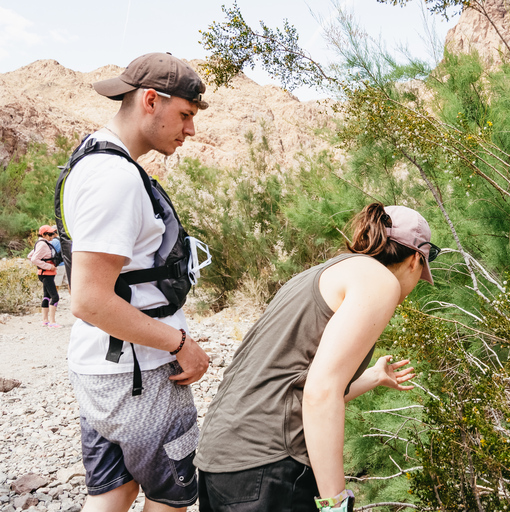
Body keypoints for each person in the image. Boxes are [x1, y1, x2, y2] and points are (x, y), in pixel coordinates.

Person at [194, 202, 441, 512]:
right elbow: (320, 394)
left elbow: (294, 382)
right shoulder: (380, 280)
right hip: (269, 468)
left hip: (221, 462)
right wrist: (335, 503)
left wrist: (374, 376)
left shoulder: (324, 272)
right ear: (416, 259)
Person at [58, 53, 211, 512]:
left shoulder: (90, 158)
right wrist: (179, 343)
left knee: (115, 491)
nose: (191, 130)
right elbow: (88, 299)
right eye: (185, 114)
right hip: (138, 374)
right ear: (150, 100)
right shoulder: (116, 179)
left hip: (100, 366)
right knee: (173, 497)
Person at [28, 225, 62, 327]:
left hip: (46, 274)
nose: (52, 236)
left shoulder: (42, 243)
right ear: (44, 234)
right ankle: (52, 322)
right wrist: (48, 266)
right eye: (50, 234)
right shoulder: (43, 244)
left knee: (46, 296)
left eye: (53, 233)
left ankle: (45, 320)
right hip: (46, 274)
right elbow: (34, 259)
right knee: (55, 297)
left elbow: (30, 256)